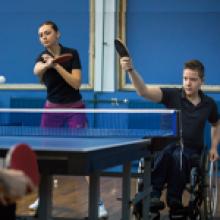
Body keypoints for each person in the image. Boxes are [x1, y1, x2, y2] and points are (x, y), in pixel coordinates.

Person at [120, 57, 220, 209]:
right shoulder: (172, 95)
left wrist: (213, 147)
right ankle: (155, 196)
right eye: (185, 78)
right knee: (169, 152)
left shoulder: (209, 104)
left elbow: (216, 124)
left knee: (177, 155)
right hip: (168, 148)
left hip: (192, 154)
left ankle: (173, 198)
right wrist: (130, 71)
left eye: (193, 79)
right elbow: (143, 91)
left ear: (202, 81)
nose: (188, 83)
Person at [31, 20, 108, 218]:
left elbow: (75, 83)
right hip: (51, 111)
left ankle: (98, 202)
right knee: (44, 156)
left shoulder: (72, 53)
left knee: (83, 156)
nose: (44, 37)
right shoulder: (41, 56)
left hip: (75, 109)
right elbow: (36, 71)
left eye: (47, 32)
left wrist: (56, 66)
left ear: (58, 34)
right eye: (40, 35)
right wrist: (46, 65)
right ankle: (42, 196)